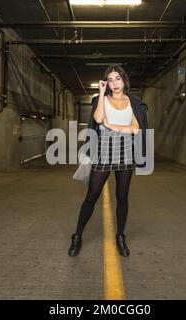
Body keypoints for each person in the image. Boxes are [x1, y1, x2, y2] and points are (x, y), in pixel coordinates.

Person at [68, 64, 148, 257]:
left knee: (122, 197)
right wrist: (102, 93)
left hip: (126, 151)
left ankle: (120, 236)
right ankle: (77, 236)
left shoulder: (134, 103)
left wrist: (112, 125)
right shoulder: (100, 100)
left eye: (118, 79)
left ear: (124, 80)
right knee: (92, 196)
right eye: (110, 80)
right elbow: (98, 118)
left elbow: (136, 129)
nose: (115, 83)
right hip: (103, 149)